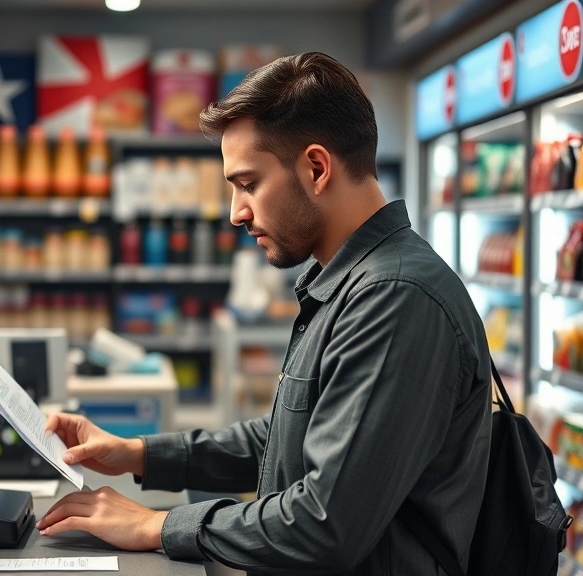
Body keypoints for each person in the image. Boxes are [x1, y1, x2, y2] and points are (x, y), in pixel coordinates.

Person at [37, 52, 492, 575]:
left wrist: (156, 526)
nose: (236, 212)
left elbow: (325, 525)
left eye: (248, 184)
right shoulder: (352, 283)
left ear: (316, 168)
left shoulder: (395, 298)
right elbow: (289, 436)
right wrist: (138, 452)